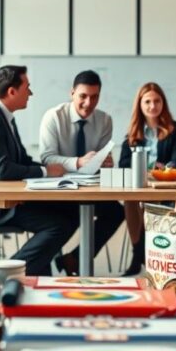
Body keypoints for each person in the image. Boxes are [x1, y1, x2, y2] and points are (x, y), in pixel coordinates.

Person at [0, 65, 77, 276]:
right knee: (58, 225)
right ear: (12, 92)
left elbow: (21, 160)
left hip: (4, 197)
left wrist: (55, 171)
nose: (30, 93)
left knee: (71, 212)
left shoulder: (4, 118)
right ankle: (8, 272)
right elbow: (3, 169)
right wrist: (45, 173)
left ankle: (39, 275)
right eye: (27, 87)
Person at [38, 70, 127, 276]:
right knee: (66, 220)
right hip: (58, 190)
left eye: (94, 97)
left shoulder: (105, 120)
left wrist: (105, 162)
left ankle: (74, 259)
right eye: (83, 96)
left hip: (90, 189)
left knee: (116, 212)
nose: (88, 103)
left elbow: (101, 161)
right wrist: (77, 162)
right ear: (72, 94)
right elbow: (47, 158)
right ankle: (65, 263)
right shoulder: (53, 117)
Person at [117, 82, 176, 276]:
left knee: (150, 201)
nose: (152, 106)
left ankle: (141, 256)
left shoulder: (175, 129)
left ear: (163, 103)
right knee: (130, 201)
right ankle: (140, 252)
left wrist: (167, 167)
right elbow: (123, 164)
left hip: (164, 186)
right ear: (139, 104)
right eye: (147, 101)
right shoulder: (132, 133)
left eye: (157, 101)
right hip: (140, 186)